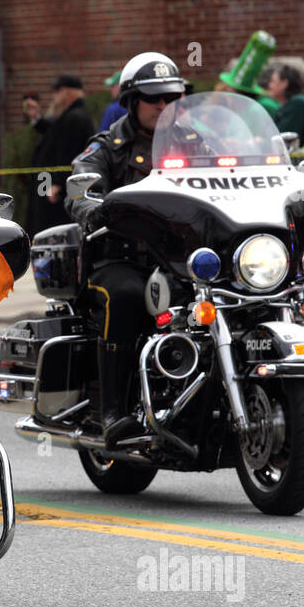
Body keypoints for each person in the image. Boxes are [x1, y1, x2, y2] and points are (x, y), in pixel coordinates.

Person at [66, 51, 190, 441]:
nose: (163, 105)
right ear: (132, 101)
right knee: (125, 297)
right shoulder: (109, 145)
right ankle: (112, 411)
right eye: (154, 98)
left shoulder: (196, 144)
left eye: (171, 98)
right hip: (120, 259)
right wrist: (93, 208)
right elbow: (80, 185)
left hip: (179, 259)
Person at [30, 74, 95, 236]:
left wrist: (58, 183)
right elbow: (54, 134)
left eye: (57, 92)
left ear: (67, 92)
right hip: (47, 180)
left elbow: (69, 151)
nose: (55, 96)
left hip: (54, 184)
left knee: (50, 226)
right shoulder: (70, 115)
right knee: (42, 220)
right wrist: (37, 119)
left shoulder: (76, 117)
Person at [1, 93, 42, 229]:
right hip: (24, 185)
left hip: (44, 177)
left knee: (43, 209)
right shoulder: (19, 136)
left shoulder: (45, 128)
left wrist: (37, 117)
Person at [267, 63, 304, 142]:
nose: (269, 85)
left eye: (273, 81)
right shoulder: (298, 101)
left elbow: (283, 139)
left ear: (284, 83)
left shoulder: (297, 104)